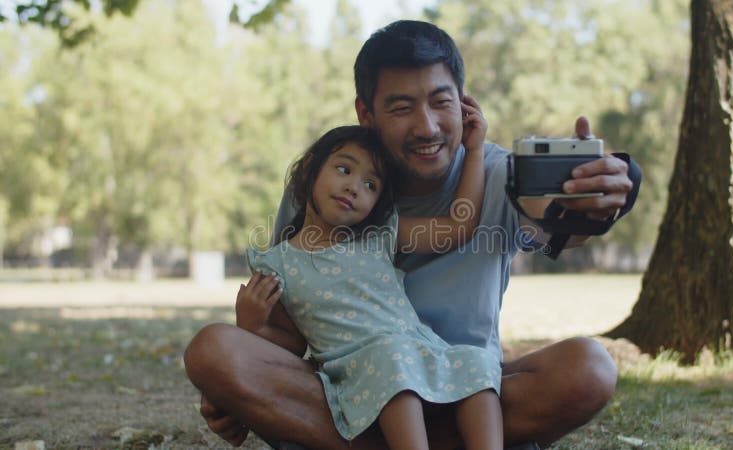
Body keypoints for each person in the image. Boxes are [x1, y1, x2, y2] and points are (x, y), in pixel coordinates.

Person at [184, 20, 640, 449]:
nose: (427, 127)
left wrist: (597, 202)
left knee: (589, 369)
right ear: (366, 113)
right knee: (215, 349)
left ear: (463, 102)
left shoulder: (496, 174)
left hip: (466, 384)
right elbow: (288, 319)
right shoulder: (326, 191)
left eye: (441, 103)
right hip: (351, 389)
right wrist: (234, 381)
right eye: (402, 108)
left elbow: (557, 220)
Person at [237, 116, 502, 450]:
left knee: (477, 362)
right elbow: (290, 342)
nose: (353, 187)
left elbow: (458, 226)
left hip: (420, 351)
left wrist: (474, 150)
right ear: (308, 171)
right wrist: (251, 325)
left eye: (370, 185)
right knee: (391, 359)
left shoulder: (376, 237)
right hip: (357, 371)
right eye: (344, 170)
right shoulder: (277, 264)